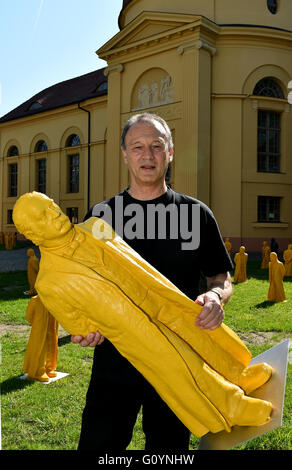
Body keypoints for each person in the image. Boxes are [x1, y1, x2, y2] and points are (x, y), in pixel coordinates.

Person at [71, 113, 234, 451]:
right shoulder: (101, 218)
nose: (147, 155)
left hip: (179, 361)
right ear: (124, 153)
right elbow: (84, 283)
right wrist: (84, 321)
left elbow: (221, 275)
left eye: (156, 147)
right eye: (138, 147)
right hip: (115, 361)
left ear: (170, 152)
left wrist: (217, 296)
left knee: (168, 450)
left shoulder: (196, 214)